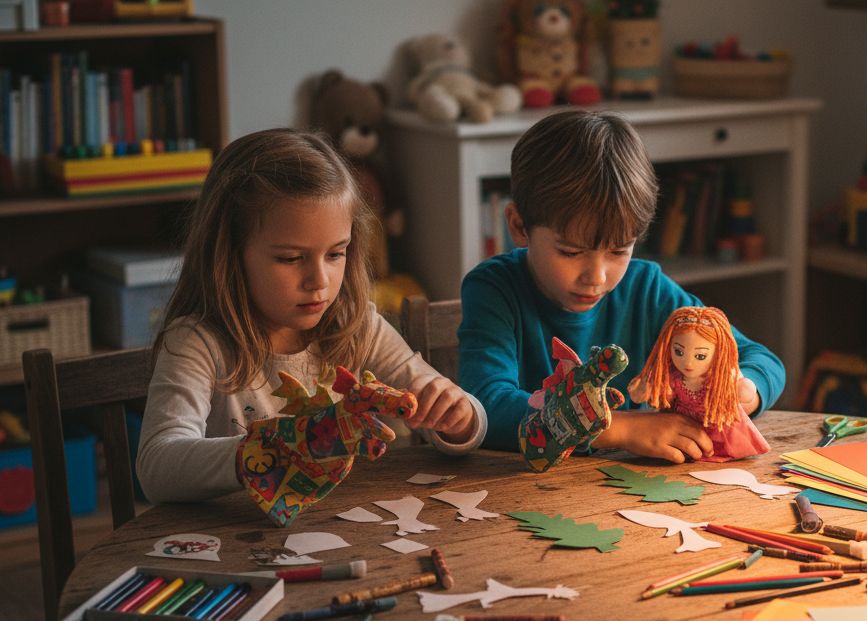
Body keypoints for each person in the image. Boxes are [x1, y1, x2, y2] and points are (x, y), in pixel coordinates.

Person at [137, 128, 486, 504]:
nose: (319, 280)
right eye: (290, 258)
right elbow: (158, 466)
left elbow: (465, 418)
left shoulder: (357, 326)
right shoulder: (197, 343)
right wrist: (271, 450)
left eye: (336, 254)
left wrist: (458, 416)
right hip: (235, 544)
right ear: (229, 255)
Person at [459, 110, 783, 464]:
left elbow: (761, 360)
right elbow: (484, 405)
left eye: (618, 250)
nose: (596, 277)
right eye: (570, 252)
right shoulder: (493, 288)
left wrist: (741, 390)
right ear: (519, 226)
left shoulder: (646, 288)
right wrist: (619, 429)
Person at [628, 306, 769, 461]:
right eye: (679, 352)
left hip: (719, 429)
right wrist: (649, 390)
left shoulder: (719, 380)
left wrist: (740, 388)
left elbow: (752, 378)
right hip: (680, 430)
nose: (688, 363)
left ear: (720, 353)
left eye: (700, 356)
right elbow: (663, 397)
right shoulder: (674, 378)